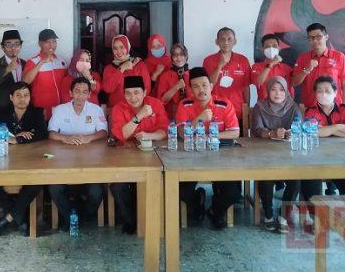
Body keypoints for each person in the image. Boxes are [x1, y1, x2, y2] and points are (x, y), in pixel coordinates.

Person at [175, 67, 242, 229]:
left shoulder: (224, 104)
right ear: (191, 89)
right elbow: (182, 133)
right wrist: (199, 118)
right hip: (191, 158)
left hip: (220, 157)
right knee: (181, 191)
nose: (201, 90)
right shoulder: (184, 105)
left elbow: (235, 132)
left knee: (233, 191)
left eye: (204, 85)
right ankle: (197, 204)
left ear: (211, 86)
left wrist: (211, 136)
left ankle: (215, 211)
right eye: (196, 86)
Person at [0, 81, 47, 237]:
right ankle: (21, 218)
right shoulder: (1, 112)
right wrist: (16, 137)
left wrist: (17, 139)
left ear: (30, 97)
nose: (22, 99)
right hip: (5, 161)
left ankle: (6, 220)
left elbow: (41, 134)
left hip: (29, 160)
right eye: (18, 95)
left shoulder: (37, 112)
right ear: (11, 97)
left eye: (26, 95)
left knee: (35, 184)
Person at [109, 76, 168, 234]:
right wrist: (139, 116)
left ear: (144, 92)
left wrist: (150, 136)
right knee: (117, 187)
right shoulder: (118, 108)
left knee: (159, 181)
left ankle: (154, 218)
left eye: (136, 92)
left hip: (154, 156)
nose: (133, 97)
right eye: (128, 93)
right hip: (126, 157)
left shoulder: (155, 104)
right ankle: (130, 220)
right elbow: (122, 134)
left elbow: (164, 131)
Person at [48, 77, 108, 229]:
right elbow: (51, 133)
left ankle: (82, 219)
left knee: (96, 192)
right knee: (54, 188)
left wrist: (89, 138)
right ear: (70, 93)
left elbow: (103, 132)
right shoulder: (60, 110)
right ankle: (70, 218)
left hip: (90, 165)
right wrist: (65, 138)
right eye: (77, 91)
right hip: (64, 165)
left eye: (84, 92)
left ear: (89, 94)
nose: (81, 96)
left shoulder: (96, 110)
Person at [300, 76, 345, 222]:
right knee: (309, 182)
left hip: (341, 160)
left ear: (335, 93)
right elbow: (312, 132)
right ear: (315, 94)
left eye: (328, 91)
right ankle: (316, 218)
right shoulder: (311, 111)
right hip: (315, 161)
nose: (323, 94)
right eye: (320, 91)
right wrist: (339, 127)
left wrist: (327, 131)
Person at [251, 77, 302, 233]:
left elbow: (299, 126)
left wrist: (291, 133)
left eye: (281, 90)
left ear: (286, 91)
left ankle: (284, 214)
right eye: (273, 89)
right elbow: (256, 130)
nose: (277, 93)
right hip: (265, 154)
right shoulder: (259, 106)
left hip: (289, 155)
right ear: (268, 91)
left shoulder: (293, 106)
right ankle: (268, 214)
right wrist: (271, 133)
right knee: (266, 177)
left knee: (296, 178)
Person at [292, 23, 345, 109]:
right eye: (311, 38)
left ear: (326, 37)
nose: (315, 41)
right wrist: (307, 69)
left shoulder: (339, 56)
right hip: (311, 108)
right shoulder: (303, 58)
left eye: (318, 37)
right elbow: (294, 82)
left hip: (334, 108)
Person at [202, 27, 252, 121]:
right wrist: (219, 66)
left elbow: (246, 87)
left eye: (229, 39)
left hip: (238, 111)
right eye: (222, 39)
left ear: (235, 41)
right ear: (217, 42)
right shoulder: (208, 60)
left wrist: (247, 109)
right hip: (215, 110)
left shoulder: (243, 60)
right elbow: (208, 85)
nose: (226, 42)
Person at [22, 29, 67, 120]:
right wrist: (41, 62)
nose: (51, 45)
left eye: (54, 41)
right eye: (47, 42)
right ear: (40, 44)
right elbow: (25, 82)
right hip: (41, 112)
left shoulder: (61, 61)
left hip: (60, 112)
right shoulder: (33, 61)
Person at [0, 29, 26, 120]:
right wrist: (7, 70)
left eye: (17, 44)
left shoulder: (25, 64)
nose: (13, 48)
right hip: (2, 112)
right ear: (3, 47)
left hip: (23, 111)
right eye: (9, 44)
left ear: (21, 46)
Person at [102, 35, 151, 108]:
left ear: (127, 47)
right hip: (117, 109)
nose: (118, 51)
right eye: (115, 48)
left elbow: (147, 88)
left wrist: (134, 104)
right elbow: (108, 89)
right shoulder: (109, 68)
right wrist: (122, 68)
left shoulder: (139, 65)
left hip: (136, 108)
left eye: (122, 47)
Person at [251, 34, 294, 102]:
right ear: (262, 49)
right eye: (267, 46)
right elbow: (258, 82)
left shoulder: (287, 68)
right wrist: (271, 64)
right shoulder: (256, 66)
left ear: (279, 48)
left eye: (274, 46)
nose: (271, 49)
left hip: (284, 105)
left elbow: (291, 87)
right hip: (264, 106)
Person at [156, 43, 192, 117]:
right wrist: (176, 87)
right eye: (175, 55)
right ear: (172, 57)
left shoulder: (193, 74)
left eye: (181, 54)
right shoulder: (165, 76)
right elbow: (162, 100)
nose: (178, 57)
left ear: (186, 56)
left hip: (191, 113)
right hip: (172, 115)